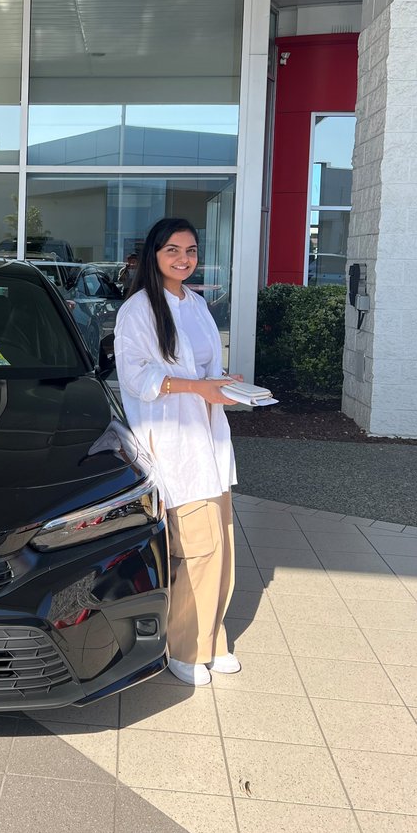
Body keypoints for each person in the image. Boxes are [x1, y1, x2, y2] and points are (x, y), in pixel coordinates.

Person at [114, 216, 241, 687]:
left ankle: (212, 641)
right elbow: (138, 378)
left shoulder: (197, 304)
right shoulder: (139, 310)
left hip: (209, 441)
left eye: (190, 251)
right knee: (198, 549)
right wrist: (198, 388)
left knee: (222, 547)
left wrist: (225, 384)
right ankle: (185, 649)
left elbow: (206, 369)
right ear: (154, 255)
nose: (183, 259)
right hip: (175, 444)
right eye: (173, 250)